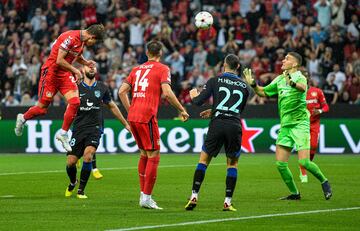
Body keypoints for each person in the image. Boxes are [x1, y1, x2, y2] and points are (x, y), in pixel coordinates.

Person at [243, 52, 332, 200]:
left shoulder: (300, 77)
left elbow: (303, 88)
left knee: (304, 161)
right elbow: (262, 93)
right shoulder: (279, 79)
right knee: (280, 164)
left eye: (287, 59)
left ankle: (324, 182)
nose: (283, 60)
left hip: (300, 125)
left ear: (295, 64)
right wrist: (253, 84)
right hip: (286, 126)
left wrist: (292, 83)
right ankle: (295, 194)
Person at [118, 40, 189, 209]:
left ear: (147, 52)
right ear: (161, 53)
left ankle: (143, 194)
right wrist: (182, 109)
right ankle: (147, 197)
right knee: (154, 155)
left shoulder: (136, 69)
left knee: (144, 154)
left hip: (134, 116)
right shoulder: (163, 68)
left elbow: (121, 91)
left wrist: (131, 109)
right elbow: (167, 93)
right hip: (147, 116)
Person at [14, 24, 105, 152]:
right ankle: (23, 118)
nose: (93, 44)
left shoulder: (82, 41)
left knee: (75, 102)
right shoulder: (70, 37)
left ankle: (63, 133)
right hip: (51, 73)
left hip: (64, 74)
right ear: (92, 36)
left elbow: (77, 56)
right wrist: (76, 71)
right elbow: (59, 60)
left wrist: (86, 62)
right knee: (41, 109)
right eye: (95, 41)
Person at [184, 54, 250, 211]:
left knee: (203, 161)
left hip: (217, 124)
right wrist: (214, 110)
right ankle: (227, 201)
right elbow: (235, 109)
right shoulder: (245, 87)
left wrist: (193, 95)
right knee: (232, 164)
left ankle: (194, 196)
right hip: (234, 125)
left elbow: (198, 101)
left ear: (224, 65)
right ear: (238, 67)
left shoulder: (215, 80)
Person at [65, 65, 130, 199]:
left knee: (88, 155)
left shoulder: (102, 87)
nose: (91, 67)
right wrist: (65, 129)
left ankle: (81, 191)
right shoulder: (76, 87)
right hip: (78, 129)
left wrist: (125, 123)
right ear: (82, 70)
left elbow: (112, 106)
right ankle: (73, 182)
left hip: (95, 128)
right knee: (71, 162)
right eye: (88, 66)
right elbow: (69, 107)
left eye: (93, 66)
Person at [299, 74, 329, 183]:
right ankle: (303, 171)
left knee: (314, 146)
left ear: (308, 80)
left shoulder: (317, 91)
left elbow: (326, 106)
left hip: (314, 124)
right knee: (303, 148)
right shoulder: (298, 93)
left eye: (306, 78)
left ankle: (307, 164)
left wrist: (320, 111)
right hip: (302, 125)